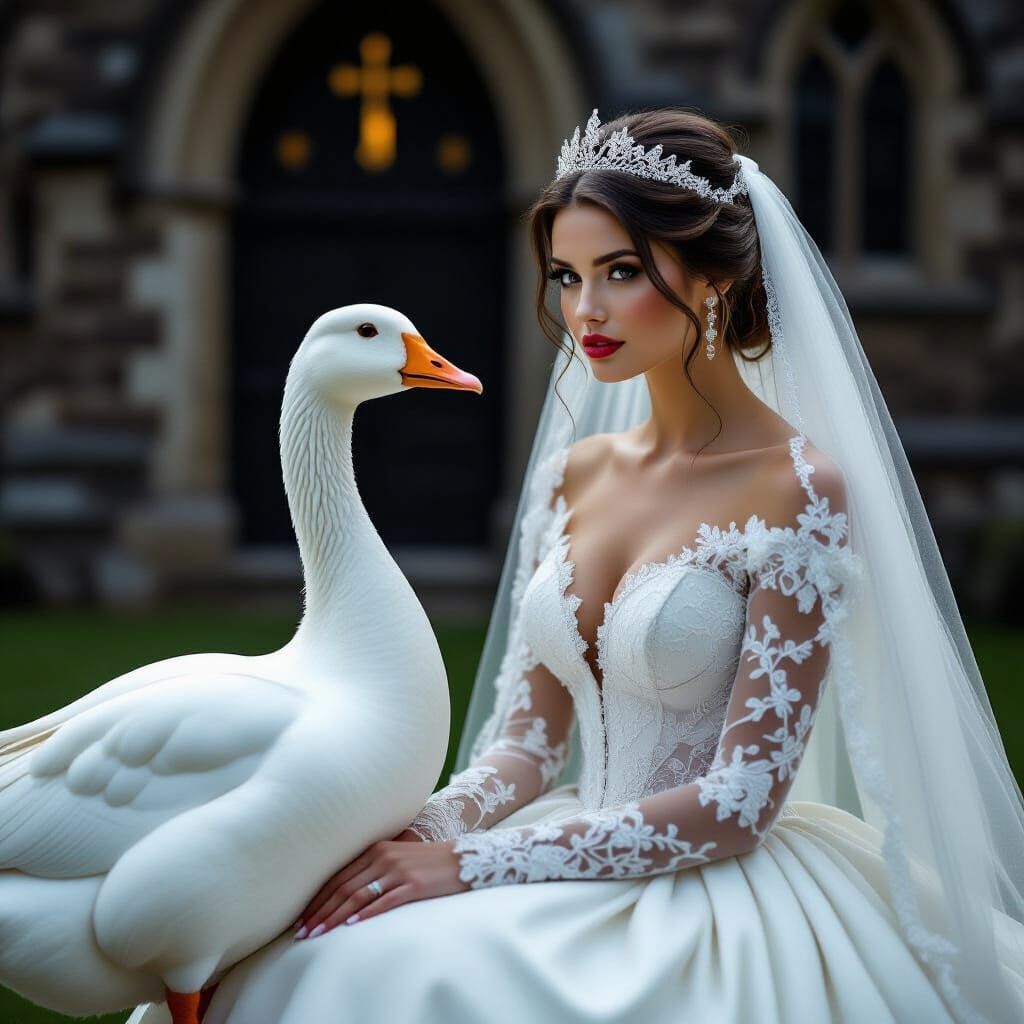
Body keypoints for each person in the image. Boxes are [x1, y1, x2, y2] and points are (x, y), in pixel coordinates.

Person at [130, 107, 1024, 1024]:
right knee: (301, 959)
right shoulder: (573, 476)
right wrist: (422, 831)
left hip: (710, 888)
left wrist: (467, 864)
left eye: (621, 273)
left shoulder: (799, 489)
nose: (584, 311)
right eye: (566, 277)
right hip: (557, 843)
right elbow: (524, 743)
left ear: (714, 279)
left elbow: (740, 799)